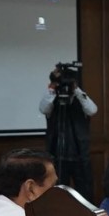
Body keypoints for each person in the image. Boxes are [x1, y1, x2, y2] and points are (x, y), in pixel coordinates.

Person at [40, 63, 96, 197]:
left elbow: (92, 110)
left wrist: (76, 89)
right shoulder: (53, 100)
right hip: (58, 155)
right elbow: (43, 108)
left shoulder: (80, 100)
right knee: (57, 192)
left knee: (85, 191)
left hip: (79, 155)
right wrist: (53, 87)